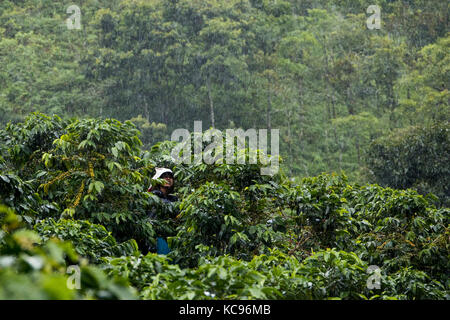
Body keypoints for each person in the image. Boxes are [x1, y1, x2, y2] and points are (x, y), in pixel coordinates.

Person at [147, 167, 178, 255]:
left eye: (170, 177)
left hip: (170, 238)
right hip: (157, 238)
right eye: (164, 176)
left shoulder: (172, 199)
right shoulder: (153, 196)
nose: (168, 178)